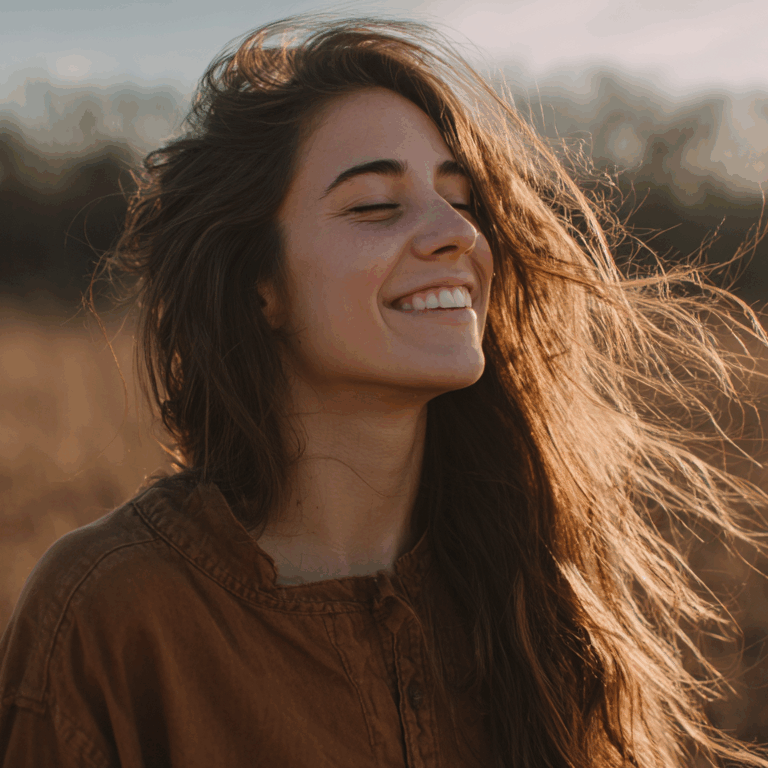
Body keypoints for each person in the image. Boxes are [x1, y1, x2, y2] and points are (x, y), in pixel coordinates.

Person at [2, 12, 768, 768]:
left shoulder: (539, 588)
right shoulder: (113, 613)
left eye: (463, 201)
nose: (459, 235)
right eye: (375, 205)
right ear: (259, 282)